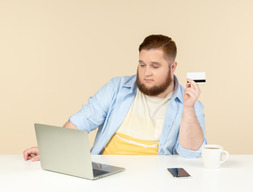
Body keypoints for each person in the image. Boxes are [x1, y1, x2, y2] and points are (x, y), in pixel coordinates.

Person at [23, 34, 206, 161]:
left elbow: (191, 155)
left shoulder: (189, 103)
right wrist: (52, 149)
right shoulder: (117, 87)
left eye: (155, 66)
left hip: (155, 178)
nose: (146, 73)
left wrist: (188, 109)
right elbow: (83, 120)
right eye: (142, 64)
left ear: (172, 67)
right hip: (107, 173)